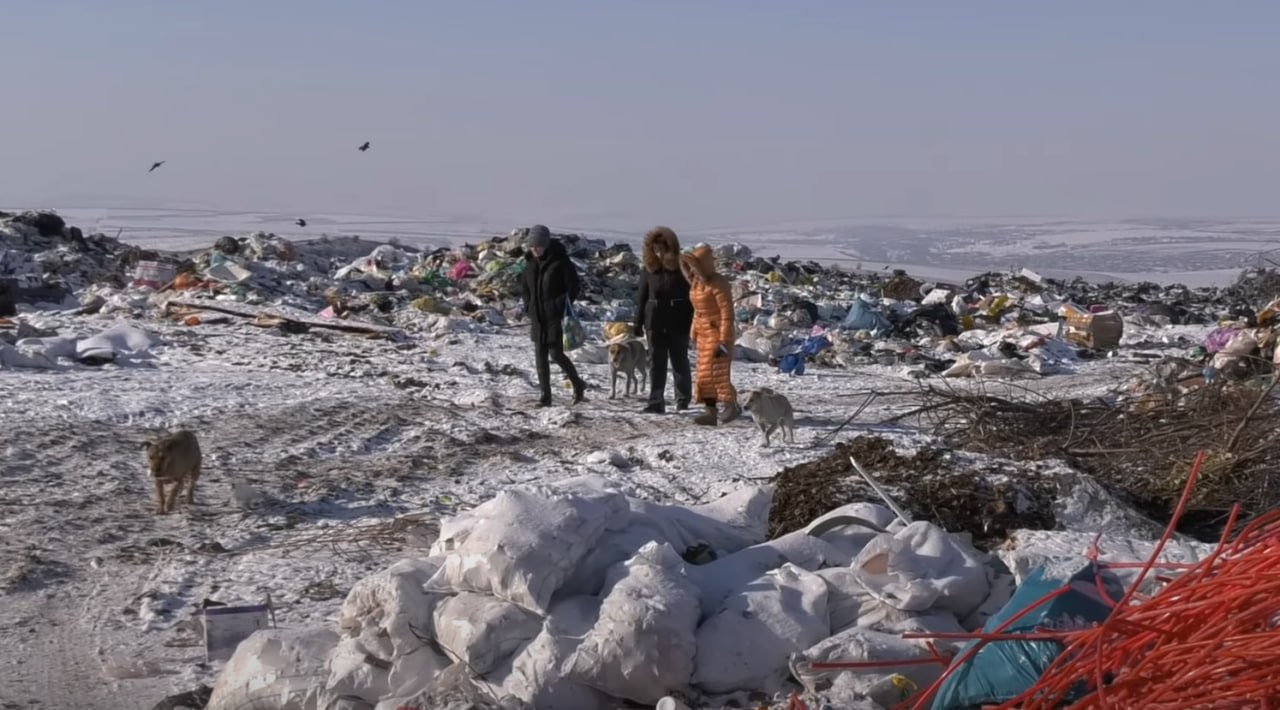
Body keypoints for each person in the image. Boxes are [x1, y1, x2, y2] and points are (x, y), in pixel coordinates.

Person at [521, 225, 586, 407]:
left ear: (546, 244)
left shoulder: (561, 262)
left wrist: (560, 304)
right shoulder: (529, 264)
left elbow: (573, 287)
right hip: (538, 316)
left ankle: (578, 384)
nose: (535, 250)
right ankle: (545, 396)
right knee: (540, 356)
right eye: (532, 246)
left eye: (538, 246)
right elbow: (525, 289)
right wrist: (528, 307)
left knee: (556, 353)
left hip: (555, 316)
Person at [633, 226, 694, 414]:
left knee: (679, 361)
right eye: (655, 248)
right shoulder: (649, 269)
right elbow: (642, 296)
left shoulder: (681, 268)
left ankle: (682, 400)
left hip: (679, 320)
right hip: (655, 321)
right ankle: (656, 401)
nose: (659, 252)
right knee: (656, 362)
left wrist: (693, 321)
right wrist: (638, 322)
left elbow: (692, 295)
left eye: (662, 248)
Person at [679, 244, 740, 425]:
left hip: (717, 332)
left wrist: (724, 338)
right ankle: (710, 411)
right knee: (703, 375)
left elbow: (726, 312)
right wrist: (693, 331)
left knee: (717, 372)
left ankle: (731, 405)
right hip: (703, 332)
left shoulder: (719, 283)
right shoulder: (697, 284)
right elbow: (697, 311)